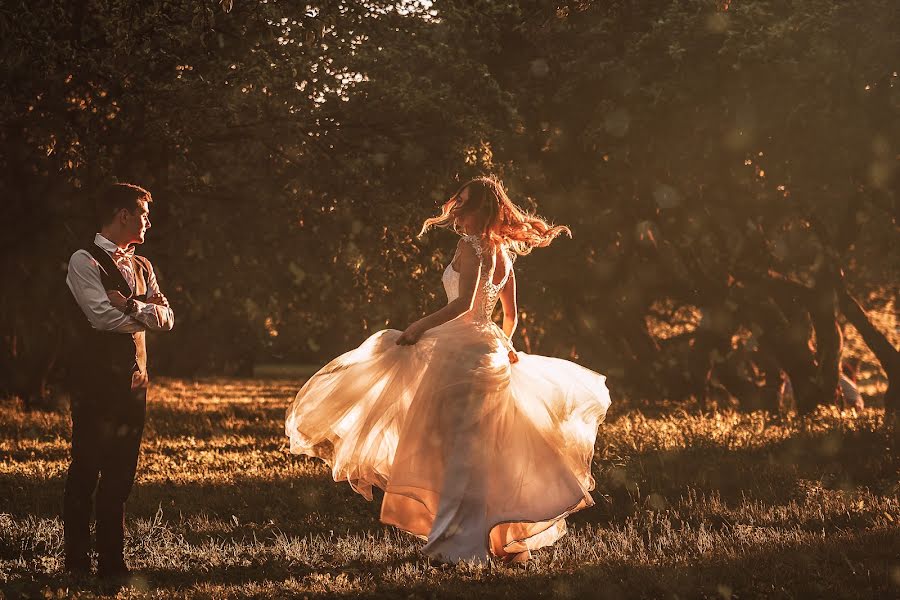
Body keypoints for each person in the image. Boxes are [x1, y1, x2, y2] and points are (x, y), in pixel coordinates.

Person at [285, 176, 610, 563]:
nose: (456, 211)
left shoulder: (471, 246)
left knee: (455, 450)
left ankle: (457, 545)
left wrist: (417, 328)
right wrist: (503, 346)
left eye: (466, 205)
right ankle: (485, 538)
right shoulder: (504, 253)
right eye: (458, 203)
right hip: (484, 351)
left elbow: (462, 306)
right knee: (479, 452)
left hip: (460, 356)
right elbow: (511, 316)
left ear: (483, 210)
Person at [63, 183, 175, 579]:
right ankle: (76, 560)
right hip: (95, 385)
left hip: (135, 387)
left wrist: (129, 304)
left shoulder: (142, 265)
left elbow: (168, 319)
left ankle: (112, 561)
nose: (148, 221)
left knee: (120, 476)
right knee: (86, 469)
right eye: (143, 213)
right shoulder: (84, 260)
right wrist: (146, 314)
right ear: (122, 214)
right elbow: (100, 318)